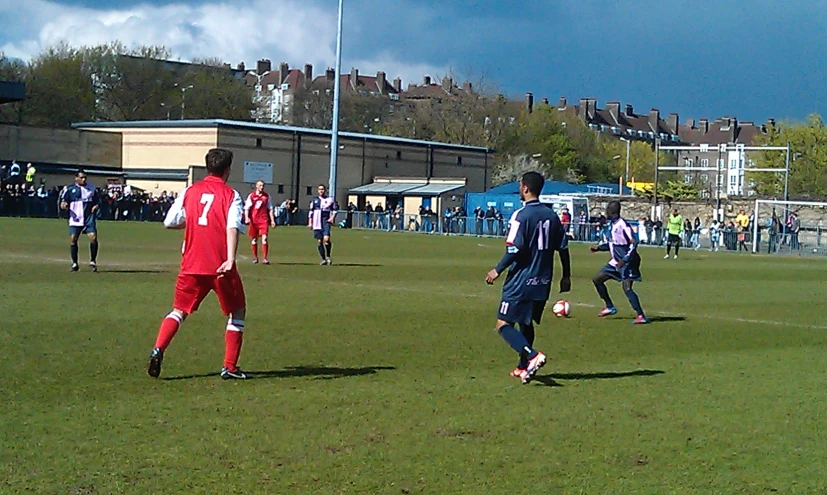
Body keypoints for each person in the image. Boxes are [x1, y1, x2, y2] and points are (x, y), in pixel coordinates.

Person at [147, 148, 248, 380]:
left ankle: (158, 348)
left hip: (191, 263)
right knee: (237, 312)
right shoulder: (231, 195)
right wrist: (231, 259)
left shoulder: (190, 191)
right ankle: (230, 367)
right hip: (220, 265)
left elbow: (169, 222)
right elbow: (232, 227)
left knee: (179, 311)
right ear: (228, 170)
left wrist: (192, 223)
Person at [485, 171, 571, 385]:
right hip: (543, 280)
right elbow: (563, 247)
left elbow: (515, 248)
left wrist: (497, 269)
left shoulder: (521, 215)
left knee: (502, 325)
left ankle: (532, 356)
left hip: (521, 279)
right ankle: (523, 366)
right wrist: (566, 276)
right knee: (526, 322)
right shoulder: (552, 216)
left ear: (525, 188)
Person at [590, 200, 649, 324]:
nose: (605, 212)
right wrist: (599, 248)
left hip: (628, 262)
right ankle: (610, 307)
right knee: (597, 279)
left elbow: (634, 243)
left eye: (607, 210)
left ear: (612, 212)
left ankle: (641, 316)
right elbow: (613, 244)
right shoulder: (612, 224)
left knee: (627, 288)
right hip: (616, 261)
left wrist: (625, 260)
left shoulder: (623, 225)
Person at [59, 170, 100, 272]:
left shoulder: (91, 188)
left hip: (88, 217)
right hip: (76, 218)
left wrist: (96, 206)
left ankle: (92, 261)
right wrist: (63, 205)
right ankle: (74, 263)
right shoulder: (69, 189)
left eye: (85, 177)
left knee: (93, 238)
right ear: (76, 178)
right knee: (73, 239)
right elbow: (63, 202)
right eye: (81, 177)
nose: (84, 179)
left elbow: (98, 201)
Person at [244, 180, 276, 265]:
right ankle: (255, 257)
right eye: (260, 185)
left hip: (263, 220)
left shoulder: (267, 197)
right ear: (256, 186)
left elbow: (270, 209)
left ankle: (265, 258)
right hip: (254, 220)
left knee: (264, 238)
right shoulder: (251, 196)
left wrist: (272, 220)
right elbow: (246, 208)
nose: (262, 187)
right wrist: (247, 217)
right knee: (254, 239)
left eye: (263, 185)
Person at [308, 184, 338, 265]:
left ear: (325, 190)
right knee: (319, 241)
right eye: (319, 189)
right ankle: (323, 259)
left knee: (326, 239)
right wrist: (310, 222)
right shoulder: (314, 201)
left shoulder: (330, 200)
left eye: (322, 189)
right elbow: (311, 212)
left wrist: (332, 218)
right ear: (317, 190)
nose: (321, 191)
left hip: (325, 221)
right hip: (316, 222)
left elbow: (335, 210)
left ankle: (328, 256)